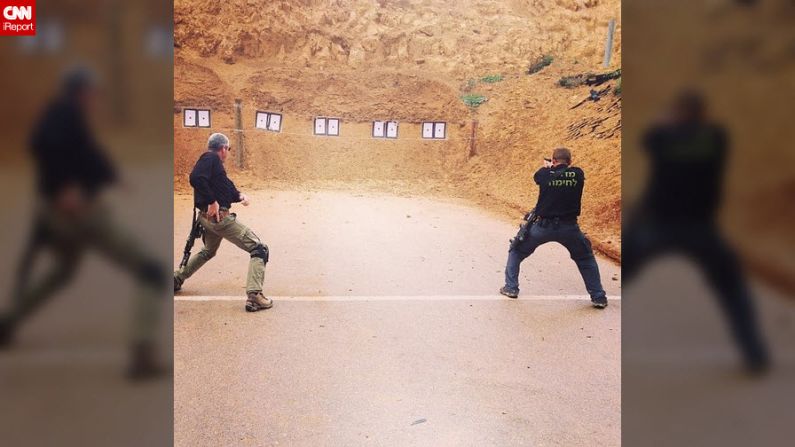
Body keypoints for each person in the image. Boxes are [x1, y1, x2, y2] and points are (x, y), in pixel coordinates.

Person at [0, 66, 167, 379]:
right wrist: (64, 187)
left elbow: (86, 152)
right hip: (77, 214)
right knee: (150, 270)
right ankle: (143, 355)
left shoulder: (69, 115)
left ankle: (8, 323)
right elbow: (43, 144)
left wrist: (113, 176)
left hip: (60, 213)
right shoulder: (63, 113)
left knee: (63, 271)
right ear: (81, 91)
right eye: (92, 92)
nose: (96, 98)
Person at [623, 91, 769, 373]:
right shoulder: (716, 137)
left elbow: (648, 140)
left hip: (659, 223)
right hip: (701, 226)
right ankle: (754, 352)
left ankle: (598, 296)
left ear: (678, 112)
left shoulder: (661, 137)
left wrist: (665, 120)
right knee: (732, 288)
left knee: (627, 268)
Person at [173, 133, 273, 312]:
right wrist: (212, 201)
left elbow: (224, 185)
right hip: (219, 219)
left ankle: (176, 279)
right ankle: (254, 296)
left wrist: (239, 195)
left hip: (207, 220)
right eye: (228, 149)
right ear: (223, 148)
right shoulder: (210, 158)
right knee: (259, 248)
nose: (228, 152)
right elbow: (196, 178)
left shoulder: (214, 165)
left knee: (208, 251)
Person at [501, 147, 608, 308]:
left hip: (543, 227)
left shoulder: (544, 174)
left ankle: (511, 288)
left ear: (553, 161)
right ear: (570, 161)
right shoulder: (577, 174)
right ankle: (598, 297)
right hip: (569, 227)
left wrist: (548, 167)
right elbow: (573, 173)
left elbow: (538, 177)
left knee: (516, 251)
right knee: (585, 259)